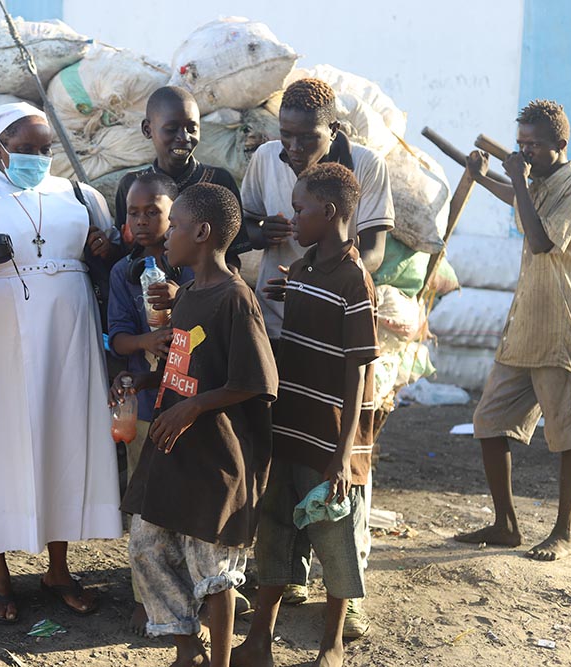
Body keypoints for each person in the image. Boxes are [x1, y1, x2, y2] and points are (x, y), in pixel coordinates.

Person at [0, 102, 123, 623]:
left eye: (45, 149)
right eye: (25, 148)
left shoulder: (80, 195)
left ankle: (58, 567)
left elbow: (110, 255)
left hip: (67, 335)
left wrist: (102, 247)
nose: (37, 157)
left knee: (61, 436)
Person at [242, 77, 393, 635]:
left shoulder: (366, 167)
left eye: (305, 138)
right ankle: (289, 570)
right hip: (280, 324)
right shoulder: (265, 159)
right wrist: (266, 231)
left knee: (340, 460)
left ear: (333, 130)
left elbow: (372, 248)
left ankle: (345, 589)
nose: (293, 150)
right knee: (284, 455)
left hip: (332, 327)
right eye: (286, 137)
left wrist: (325, 286)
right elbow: (244, 228)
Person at [116, 182, 278, 667]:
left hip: (217, 459)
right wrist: (144, 382)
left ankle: (220, 660)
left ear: (202, 233)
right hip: (174, 453)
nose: (166, 235)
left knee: (213, 569)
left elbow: (255, 381)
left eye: (177, 225)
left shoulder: (235, 299)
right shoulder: (186, 294)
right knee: (146, 547)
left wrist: (194, 408)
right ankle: (188, 651)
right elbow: (185, 365)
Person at [233, 163, 378, 667]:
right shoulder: (308, 267)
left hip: (330, 442)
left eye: (300, 209)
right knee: (275, 533)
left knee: (334, 538)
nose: (292, 219)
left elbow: (357, 367)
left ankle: (332, 644)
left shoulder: (355, 278)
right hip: (290, 428)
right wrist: (293, 293)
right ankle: (258, 641)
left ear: (330, 211)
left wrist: (342, 457)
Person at [454, 100, 571, 562]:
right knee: (488, 422)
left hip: (560, 327)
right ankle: (506, 524)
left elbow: (540, 242)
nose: (526, 153)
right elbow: (518, 198)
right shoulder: (538, 182)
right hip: (524, 326)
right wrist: (482, 177)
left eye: (533, 146)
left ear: (561, 144)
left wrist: (517, 175)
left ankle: (565, 532)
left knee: (566, 432)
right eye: (520, 145)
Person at [106, 171, 193, 635]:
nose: (141, 222)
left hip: (195, 406)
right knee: (146, 507)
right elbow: (118, 338)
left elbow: (215, 327)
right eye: (133, 214)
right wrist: (149, 339)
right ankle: (145, 596)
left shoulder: (198, 269)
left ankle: (200, 589)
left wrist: (182, 307)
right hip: (145, 408)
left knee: (191, 502)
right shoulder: (125, 272)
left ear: (175, 217)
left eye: (152, 213)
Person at [113, 86, 250, 259]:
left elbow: (231, 257)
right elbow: (124, 250)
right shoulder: (132, 186)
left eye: (192, 129)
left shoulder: (218, 181)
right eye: (171, 129)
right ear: (148, 130)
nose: (184, 137)